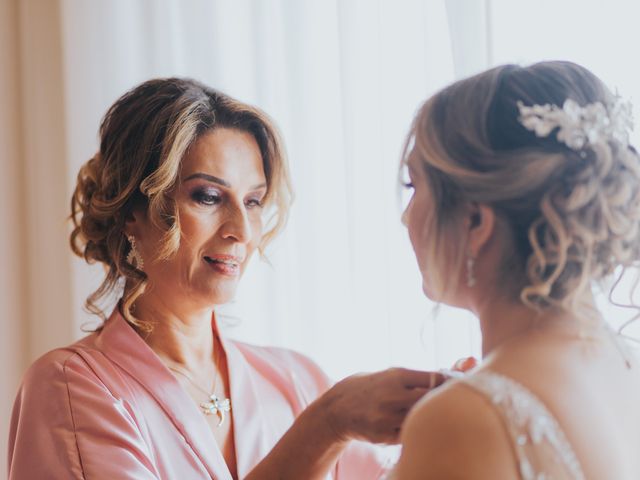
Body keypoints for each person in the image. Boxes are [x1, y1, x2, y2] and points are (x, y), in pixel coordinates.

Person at [7, 78, 449, 480]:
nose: (240, 229)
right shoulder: (71, 388)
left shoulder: (295, 379)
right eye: (209, 196)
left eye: (253, 201)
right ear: (131, 214)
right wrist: (325, 426)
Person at [392, 60, 640, 479]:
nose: (405, 218)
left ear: (475, 222)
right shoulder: (628, 366)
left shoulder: (465, 418)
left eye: (415, 187)